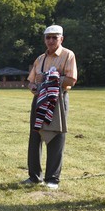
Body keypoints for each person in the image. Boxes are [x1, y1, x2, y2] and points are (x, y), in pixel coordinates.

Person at [23, 25, 78, 190]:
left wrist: (50, 79)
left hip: (58, 100)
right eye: (48, 37)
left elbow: (71, 80)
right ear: (44, 39)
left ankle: (52, 178)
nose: (51, 40)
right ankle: (34, 176)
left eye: (55, 37)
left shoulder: (68, 55)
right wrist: (33, 86)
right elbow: (31, 81)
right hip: (39, 100)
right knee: (35, 136)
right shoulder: (40, 59)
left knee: (56, 137)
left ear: (62, 38)